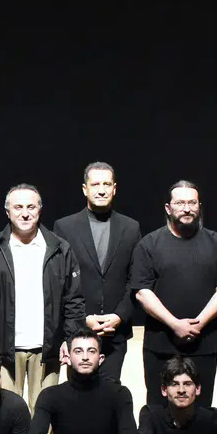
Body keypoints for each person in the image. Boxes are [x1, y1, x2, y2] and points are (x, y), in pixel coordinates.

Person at [0, 183, 84, 408]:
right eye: (18, 207)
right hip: (4, 350)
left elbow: (73, 299)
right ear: (7, 212)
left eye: (31, 207)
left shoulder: (60, 249)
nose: (25, 213)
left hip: (47, 349)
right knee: (6, 412)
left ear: (40, 210)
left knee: (43, 412)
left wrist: (69, 339)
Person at [130, 181, 217, 408]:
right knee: (158, 409)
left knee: (201, 409)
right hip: (160, 346)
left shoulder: (216, 243)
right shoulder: (149, 244)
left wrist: (198, 324)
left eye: (192, 203)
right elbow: (142, 293)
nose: (187, 209)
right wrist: (174, 324)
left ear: (199, 206)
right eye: (180, 203)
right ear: (168, 208)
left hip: (203, 345)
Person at [52, 162, 142, 384]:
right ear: (85, 189)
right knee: (77, 395)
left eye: (106, 184)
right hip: (78, 329)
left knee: (111, 393)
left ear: (114, 188)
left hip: (115, 332)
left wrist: (119, 316)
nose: (101, 190)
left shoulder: (131, 228)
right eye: (95, 184)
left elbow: (136, 279)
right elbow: (59, 282)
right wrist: (82, 319)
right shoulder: (65, 227)